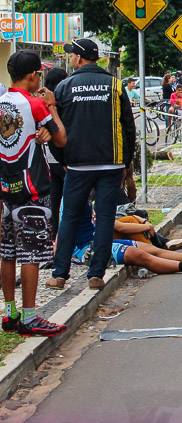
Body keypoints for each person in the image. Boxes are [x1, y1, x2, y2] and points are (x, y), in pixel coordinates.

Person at [46, 38, 136, 291]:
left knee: (70, 218)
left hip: (77, 165)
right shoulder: (115, 85)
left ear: (79, 58)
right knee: (105, 218)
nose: (71, 58)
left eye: (73, 54)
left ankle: (60, 274)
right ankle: (96, 275)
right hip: (111, 164)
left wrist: (63, 160)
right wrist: (125, 163)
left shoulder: (64, 87)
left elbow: (56, 128)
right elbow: (128, 127)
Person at [0, 51, 68, 337]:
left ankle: (10, 312)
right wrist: (51, 107)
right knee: (30, 253)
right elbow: (61, 138)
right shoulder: (35, 104)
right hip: (32, 189)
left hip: (5, 188)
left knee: (7, 252)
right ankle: (30, 316)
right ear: (32, 76)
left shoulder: (1, 102)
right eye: (39, 73)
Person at [42, 67, 68, 228]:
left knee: (54, 201)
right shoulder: (61, 103)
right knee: (71, 203)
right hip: (63, 160)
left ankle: (54, 237)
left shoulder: (40, 103)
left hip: (48, 161)